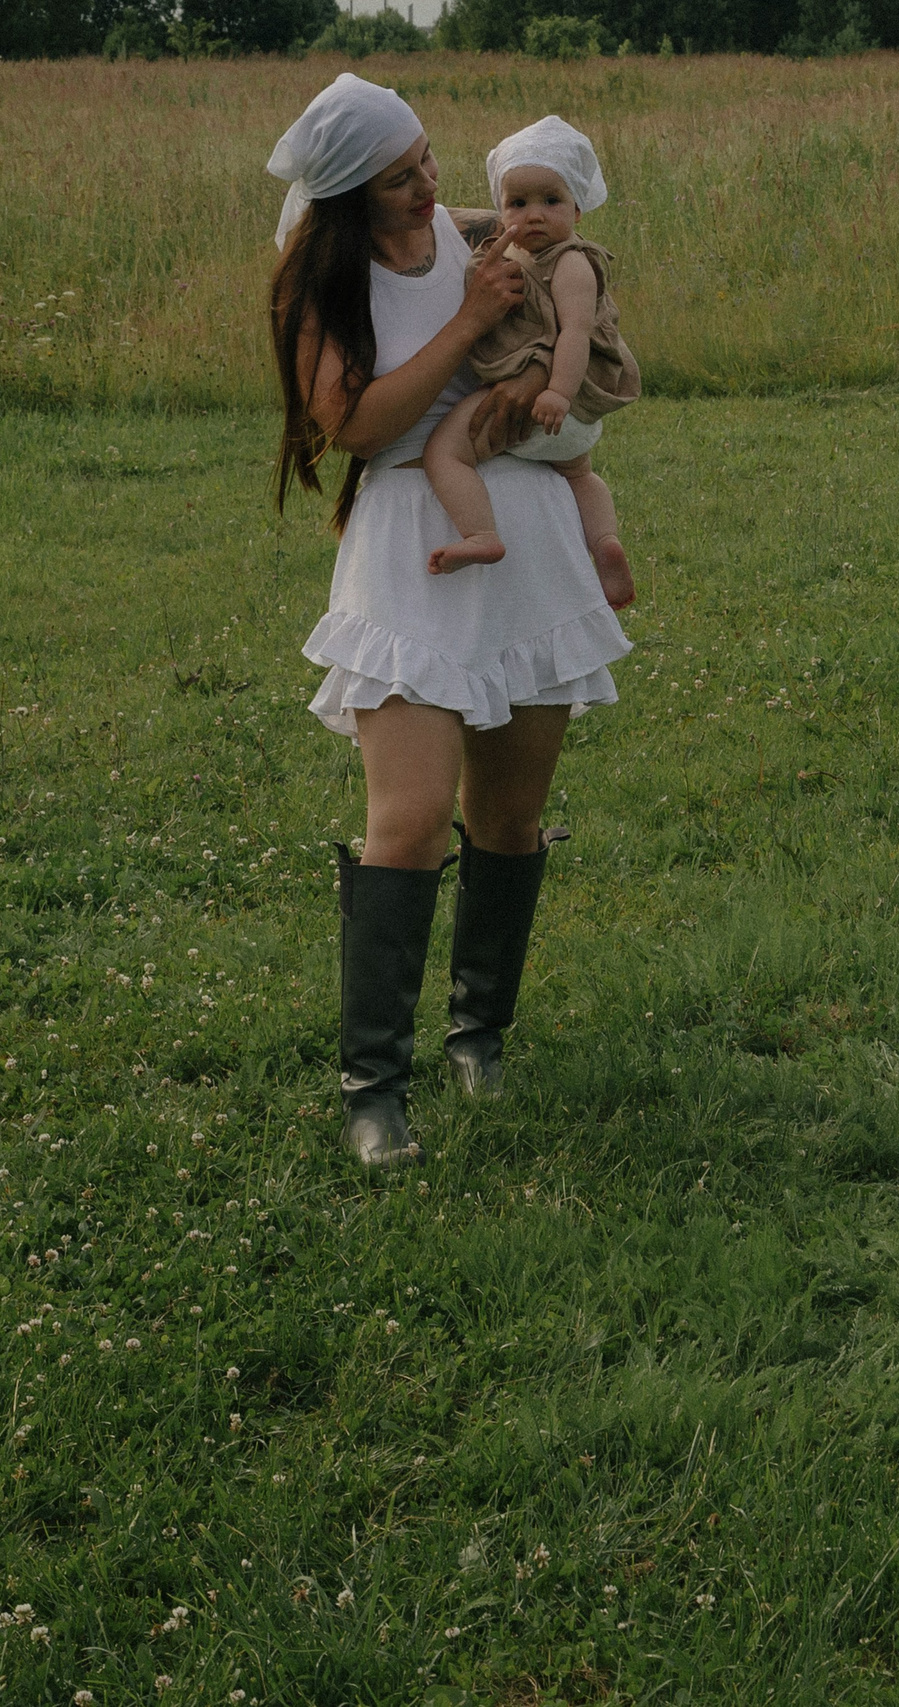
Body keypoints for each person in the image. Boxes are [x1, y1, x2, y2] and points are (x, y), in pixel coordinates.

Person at [265, 73, 634, 1168]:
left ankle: (479, 1038)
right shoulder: (323, 282)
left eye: (427, 158)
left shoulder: (475, 231)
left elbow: (564, 239)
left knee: (510, 818)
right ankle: (374, 1088)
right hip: (407, 542)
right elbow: (355, 426)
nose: (428, 184)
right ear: (348, 197)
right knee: (412, 819)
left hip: (525, 535)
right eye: (398, 178)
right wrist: (471, 319)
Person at [422, 115, 640, 600]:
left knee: (446, 453)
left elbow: (577, 332)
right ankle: (605, 544)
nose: (534, 215)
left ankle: (480, 533)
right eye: (518, 203)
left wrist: (558, 392)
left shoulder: (571, 262)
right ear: (500, 209)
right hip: (568, 426)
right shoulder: (511, 256)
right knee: (580, 474)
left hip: (552, 406)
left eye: (550, 201)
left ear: (578, 209)